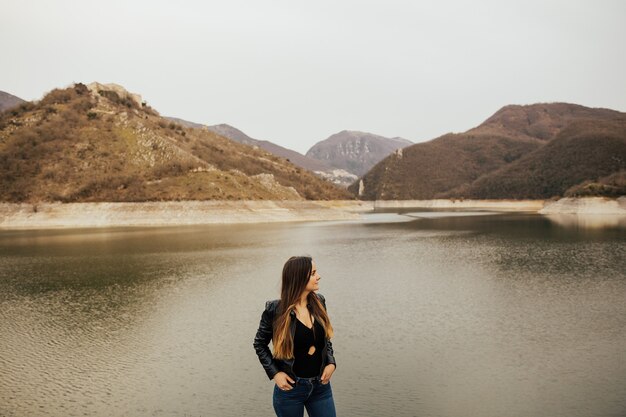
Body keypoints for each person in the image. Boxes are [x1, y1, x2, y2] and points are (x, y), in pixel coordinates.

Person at [253, 256, 337, 417]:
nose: (318, 276)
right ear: (299, 278)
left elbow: (326, 339)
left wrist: (331, 362)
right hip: (291, 391)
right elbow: (259, 344)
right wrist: (275, 373)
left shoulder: (319, 301)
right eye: (313, 273)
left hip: (321, 387)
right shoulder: (275, 310)